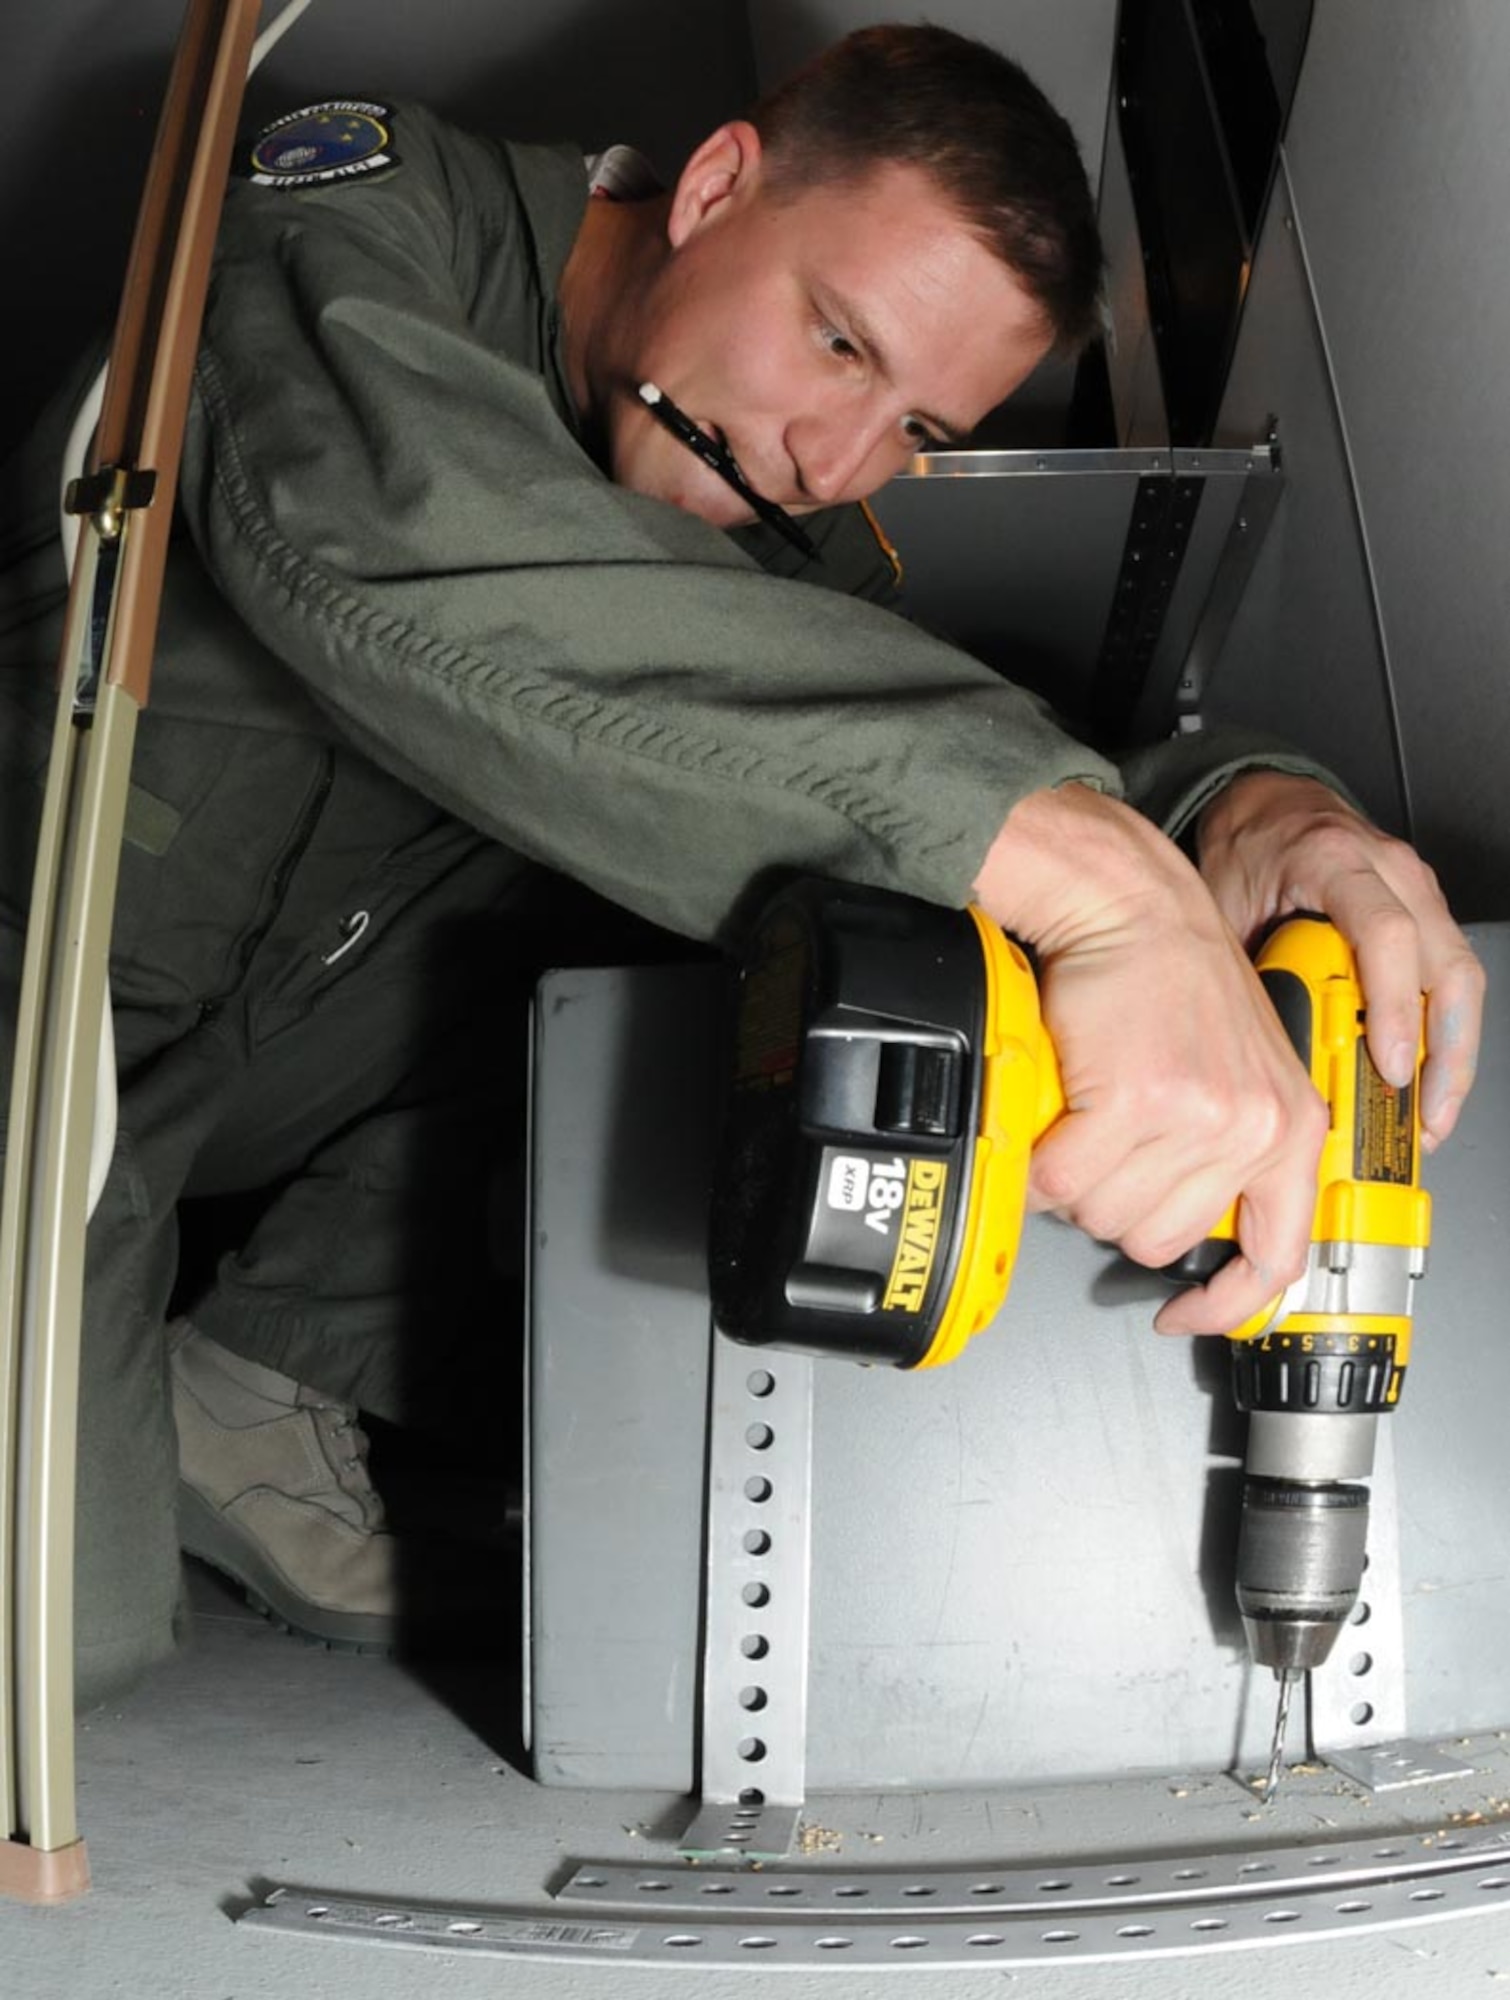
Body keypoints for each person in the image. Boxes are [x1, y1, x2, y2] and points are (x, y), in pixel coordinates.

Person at [0, 25, 1482, 1706]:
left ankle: (263, 1375)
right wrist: (1078, 869)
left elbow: (922, 737)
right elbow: (383, 524)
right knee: (54, 1656)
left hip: (281, 1061)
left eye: (912, 422)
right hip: (49, 1021)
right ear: (711, 188)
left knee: (829, 886)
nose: (830, 464)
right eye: (836, 344)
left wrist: (1256, 816)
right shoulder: (353, 196)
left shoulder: (795, 536)